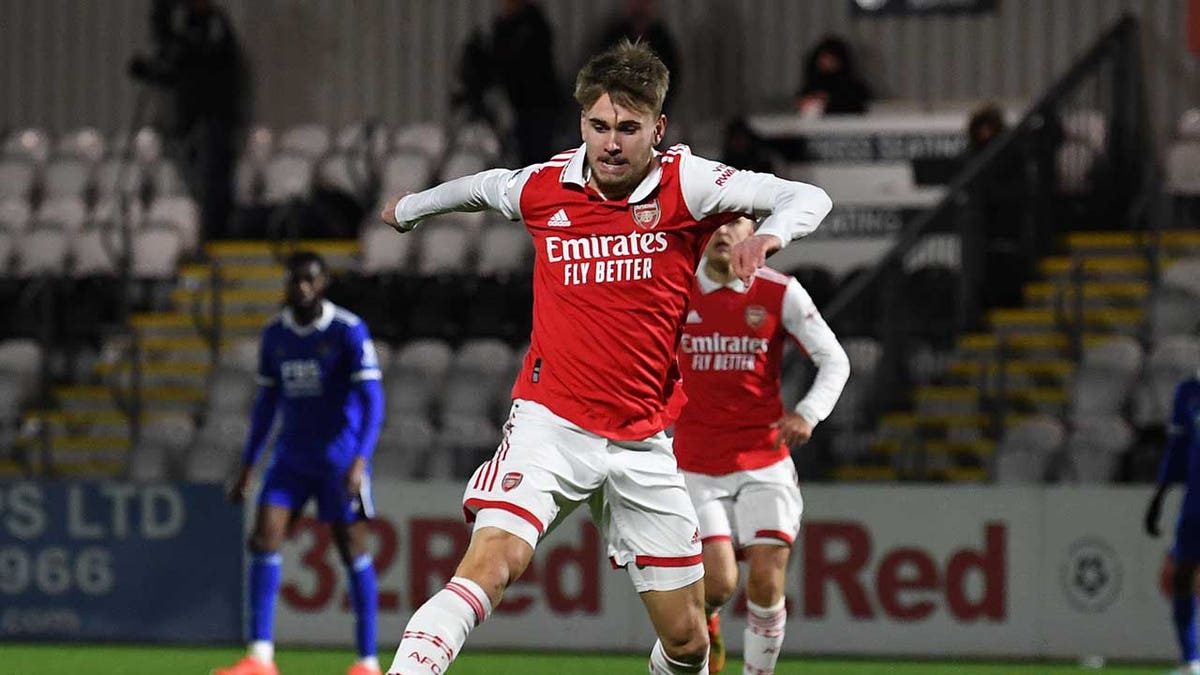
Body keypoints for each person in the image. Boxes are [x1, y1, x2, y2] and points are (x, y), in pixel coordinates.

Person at [379, 41, 832, 675]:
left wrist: (769, 236)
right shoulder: (548, 186)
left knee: (688, 643)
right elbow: (483, 188)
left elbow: (808, 196)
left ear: (658, 128)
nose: (611, 143)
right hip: (551, 423)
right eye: (598, 126)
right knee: (493, 562)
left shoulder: (689, 183)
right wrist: (410, 210)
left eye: (628, 128)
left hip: (644, 440)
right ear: (581, 124)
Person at [674, 216, 849, 674]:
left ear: (757, 236)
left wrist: (809, 413)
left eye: (737, 223)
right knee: (717, 583)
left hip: (763, 458)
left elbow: (834, 359)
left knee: (768, 583)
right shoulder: (674, 289)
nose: (725, 233)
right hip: (694, 463)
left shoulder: (779, 292)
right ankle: (709, 623)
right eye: (716, 222)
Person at [215, 251, 386, 675]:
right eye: (296, 280)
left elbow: (373, 400)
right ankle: (260, 658)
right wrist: (249, 464)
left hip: (339, 459)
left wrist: (360, 460)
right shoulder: (275, 335)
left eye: (310, 280)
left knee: (352, 550)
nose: (302, 288)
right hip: (291, 459)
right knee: (264, 537)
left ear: (323, 284)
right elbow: (266, 404)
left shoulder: (348, 330)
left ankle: (366, 662)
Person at [129, 0, 248, 240]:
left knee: (213, 182)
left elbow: (201, 62)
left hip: (215, 121)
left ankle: (215, 236)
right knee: (193, 181)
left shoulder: (213, 24)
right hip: (190, 122)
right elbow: (178, 73)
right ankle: (202, 235)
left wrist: (175, 40)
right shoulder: (186, 27)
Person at [1144, 373, 1200, 675]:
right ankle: (1190, 659)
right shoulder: (1188, 392)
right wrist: (1160, 495)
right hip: (1196, 501)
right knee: (1182, 575)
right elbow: (1177, 448)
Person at [491, 0, 564, 166]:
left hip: (539, 107)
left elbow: (527, 66)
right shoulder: (503, 27)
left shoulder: (534, 26)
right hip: (517, 106)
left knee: (536, 158)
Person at [597, 0, 681, 113]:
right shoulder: (615, 35)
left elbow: (672, 73)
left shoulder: (660, 38)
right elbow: (603, 68)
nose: (639, 5)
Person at [794, 35, 872, 117]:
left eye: (831, 58)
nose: (827, 62)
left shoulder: (853, 87)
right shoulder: (812, 86)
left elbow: (858, 106)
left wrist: (830, 100)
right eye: (824, 58)